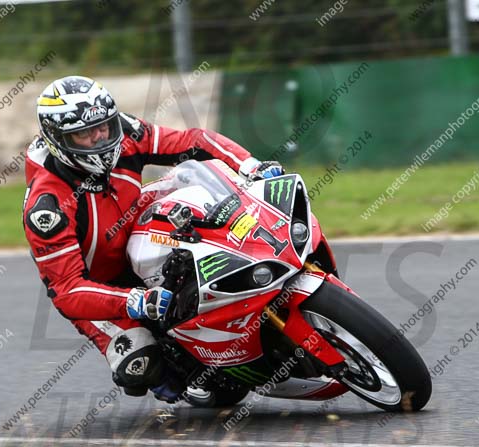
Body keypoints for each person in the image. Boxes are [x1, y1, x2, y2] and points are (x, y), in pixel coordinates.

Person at [22, 75, 284, 402]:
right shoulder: (46, 208)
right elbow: (66, 290)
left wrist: (249, 165)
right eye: (84, 135)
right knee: (141, 365)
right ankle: (188, 372)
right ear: (57, 140)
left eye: (102, 127)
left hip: (134, 228)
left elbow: (193, 141)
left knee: (188, 180)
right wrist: (134, 301)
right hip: (100, 286)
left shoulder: (125, 131)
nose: (99, 139)